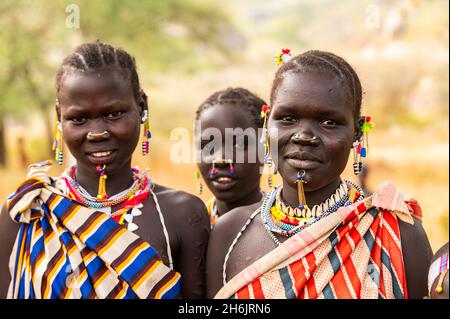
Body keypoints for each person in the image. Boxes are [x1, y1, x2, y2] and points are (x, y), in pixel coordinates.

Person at [206, 49, 432, 299]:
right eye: (288, 118)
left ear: (356, 132)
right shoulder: (230, 233)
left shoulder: (396, 233)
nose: (304, 136)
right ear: (267, 122)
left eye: (328, 123)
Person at [0, 42, 210, 299]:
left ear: (142, 107)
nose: (97, 132)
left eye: (114, 114)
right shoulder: (27, 211)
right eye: (79, 119)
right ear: (59, 116)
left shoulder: (181, 214)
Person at [195, 88, 267, 226]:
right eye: (209, 147)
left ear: (265, 149)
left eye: (239, 145)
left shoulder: (289, 232)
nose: (221, 160)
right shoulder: (188, 229)